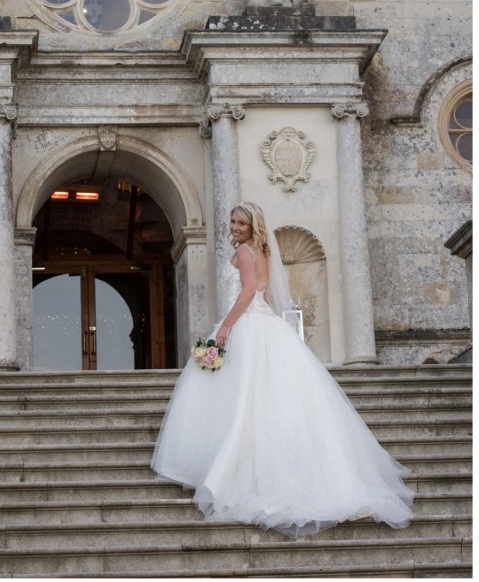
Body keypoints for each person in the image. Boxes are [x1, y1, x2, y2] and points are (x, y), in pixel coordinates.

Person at [151, 202, 414, 538]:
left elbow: (248, 292)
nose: (233, 227)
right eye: (231, 221)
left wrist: (225, 328)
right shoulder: (264, 251)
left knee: (237, 397)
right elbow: (267, 294)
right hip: (267, 325)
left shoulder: (246, 252)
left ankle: (233, 470)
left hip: (248, 323)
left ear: (251, 226)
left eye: (240, 223)